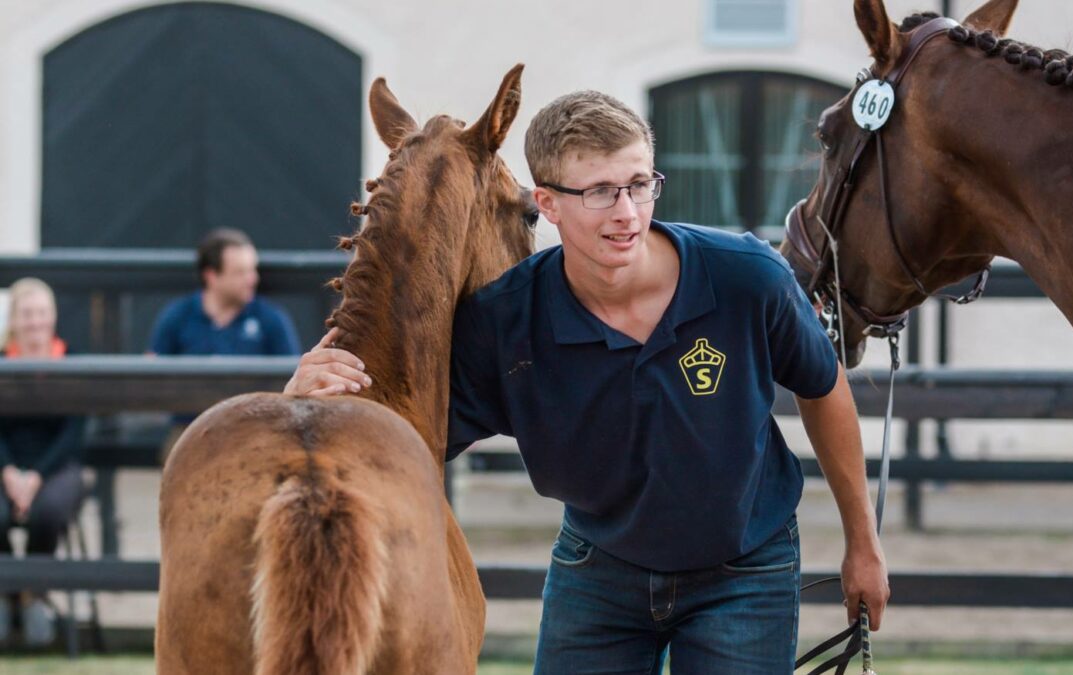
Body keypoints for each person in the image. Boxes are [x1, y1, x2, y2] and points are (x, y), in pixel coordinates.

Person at [285, 91, 890, 673]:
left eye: (639, 184)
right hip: (598, 567)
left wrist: (862, 544)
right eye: (600, 191)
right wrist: (301, 407)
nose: (627, 213)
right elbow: (405, 442)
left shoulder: (748, 277)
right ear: (546, 203)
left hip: (745, 568)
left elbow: (822, 386)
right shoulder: (505, 321)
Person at [0, 277, 86, 647]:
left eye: (41, 313)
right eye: (27, 314)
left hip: (55, 466)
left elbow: (73, 432)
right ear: (15, 320)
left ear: (52, 317)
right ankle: (6, 591)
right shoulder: (3, 364)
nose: (35, 322)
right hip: (5, 465)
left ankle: (34, 592)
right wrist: (7, 472)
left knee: (49, 511)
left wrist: (35, 477)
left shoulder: (71, 362)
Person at [149, 228, 301, 357]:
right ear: (211, 276)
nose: (253, 279)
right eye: (240, 272)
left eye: (252, 269)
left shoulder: (271, 319)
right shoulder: (177, 316)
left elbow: (293, 379)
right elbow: (152, 375)